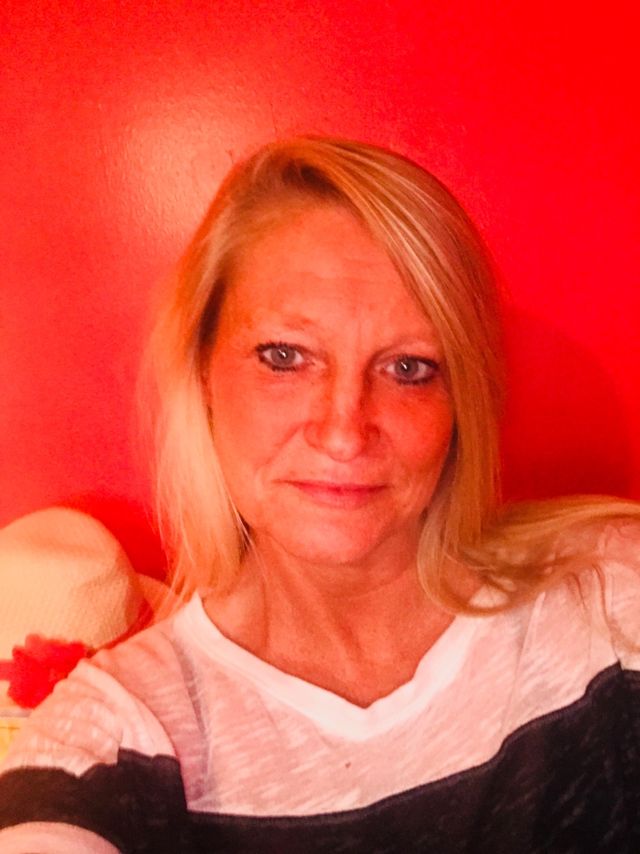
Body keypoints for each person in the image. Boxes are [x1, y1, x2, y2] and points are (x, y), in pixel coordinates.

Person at [1, 136, 639, 853]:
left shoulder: (609, 603)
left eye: (408, 368)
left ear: (462, 400)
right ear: (204, 373)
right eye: (285, 357)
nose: (343, 432)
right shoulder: (113, 735)